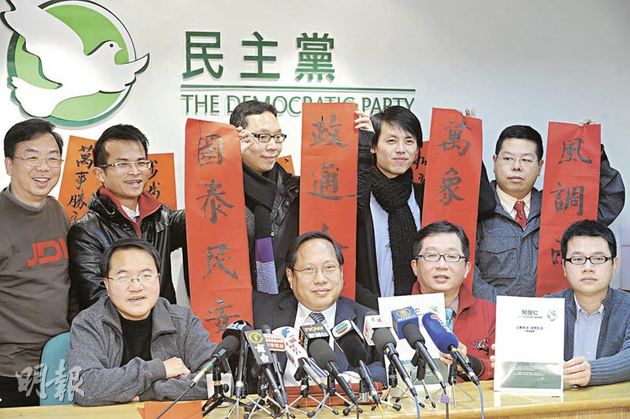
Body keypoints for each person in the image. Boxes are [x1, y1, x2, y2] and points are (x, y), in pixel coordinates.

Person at [356, 106, 495, 309]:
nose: (401, 149)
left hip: (428, 314)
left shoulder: (426, 196)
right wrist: (378, 310)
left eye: (409, 141)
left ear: (418, 149)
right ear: (373, 147)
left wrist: (468, 149)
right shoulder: (359, 199)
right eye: (391, 141)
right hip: (370, 314)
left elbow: (485, 205)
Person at [232, 100, 373, 294]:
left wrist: (363, 149)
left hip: (286, 302)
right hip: (234, 303)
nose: (273, 146)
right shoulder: (220, 193)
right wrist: (226, 162)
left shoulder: (294, 190)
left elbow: (352, 211)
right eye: (262, 137)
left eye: (277, 137)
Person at [474, 124, 625, 302]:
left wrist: (592, 150)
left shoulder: (560, 206)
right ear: (494, 161)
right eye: (508, 158)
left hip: (553, 314)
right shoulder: (476, 208)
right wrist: (503, 307)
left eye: (526, 160)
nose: (516, 166)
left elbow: (611, 199)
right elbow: (465, 269)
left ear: (539, 166)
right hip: (490, 313)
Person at [67, 238, 216, 406]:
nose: (136, 286)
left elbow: (215, 380)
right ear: (107, 284)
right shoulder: (89, 323)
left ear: (158, 278)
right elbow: (85, 388)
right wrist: (159, 369)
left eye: (145, 275)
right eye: (123, 277)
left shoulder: (183, 321)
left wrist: (151, 392)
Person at [68, 124, 186, 309]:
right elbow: (97, 300)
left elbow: (203, 218)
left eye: (141, 162)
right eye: (122, 164)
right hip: (114, 327)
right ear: (100, 173)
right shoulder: (86, 232)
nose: (135, 171)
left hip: (164, 324)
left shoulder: (162, 217)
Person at [0, 119, 74, 407]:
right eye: (32, 157)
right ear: (9, 164)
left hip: (60, 363)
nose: (44, 167)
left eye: (52, 158)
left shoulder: (57, 211)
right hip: (10, 370)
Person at [253, 231, 386, 385]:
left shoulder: (365, 319)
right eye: (309, 269)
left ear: (341, 272)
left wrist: (349, 379)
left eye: (329, 267)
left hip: (343, 399)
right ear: (290, 276)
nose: (320, 279)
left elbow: (384, 367)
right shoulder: (262, 312)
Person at [549, 220, 630, 387]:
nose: (588, 267)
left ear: (614, 264)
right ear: (564, 266)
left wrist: (592, 372)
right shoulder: (546, 308)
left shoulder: (627, 308)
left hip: (612, 402)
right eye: (578, 259)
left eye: (598, 258)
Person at [410, 221, 494, 381]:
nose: (442, 265)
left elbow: (506, 368)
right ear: (415, 267)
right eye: (431, 256)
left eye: (452, 257)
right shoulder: (393, 314)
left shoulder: (490, 313)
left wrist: (469, 363)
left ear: (467, 268)